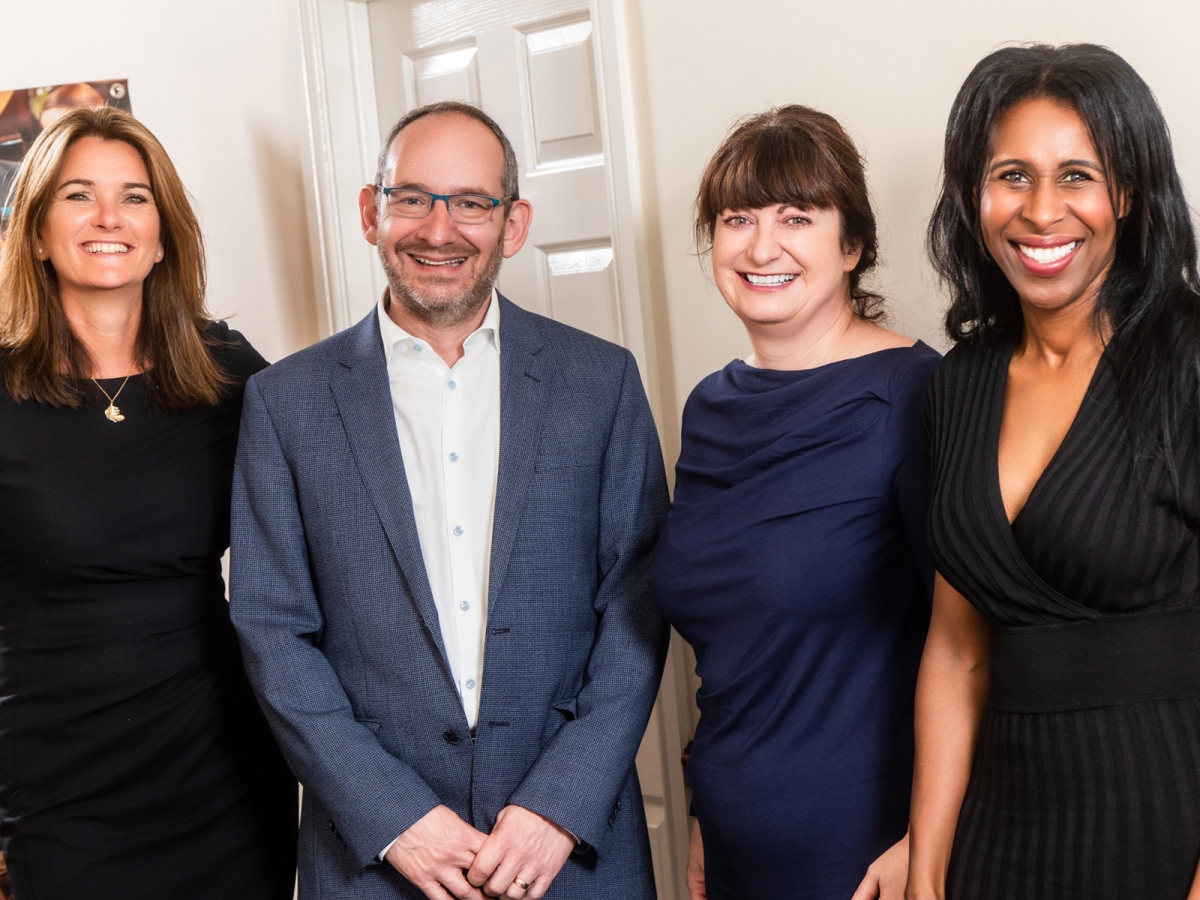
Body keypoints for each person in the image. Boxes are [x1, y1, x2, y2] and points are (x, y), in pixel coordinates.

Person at [229, 100, 668, 900]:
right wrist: (395, 817)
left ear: (515, 223)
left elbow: (637, 609)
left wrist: (556, 809)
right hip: (374, 860)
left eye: (471, 202)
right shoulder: (283, 404)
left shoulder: (600, 383)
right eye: (412, 198)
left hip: (568, 857)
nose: (440, 229)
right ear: (371, 212)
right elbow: (272, 630)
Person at [908, 43, 1200, 900]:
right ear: (974, 194)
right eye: (1011, 175)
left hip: (1164, 817)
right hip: (1001, 830)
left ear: (1131, 194)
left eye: (1078, 175)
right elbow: (957, 652)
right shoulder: (959, 381)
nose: (1041, 211)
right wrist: (929, 871)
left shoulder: (1190, 360)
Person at [0, 107, 297, 898]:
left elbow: (333, 526)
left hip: (224, 774)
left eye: (134, 197)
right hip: (55, 786)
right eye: (77, 196)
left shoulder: (228, 373)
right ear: (34, 231)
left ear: (162, 233)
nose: (108, 218)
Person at [651, 105, 939, 900]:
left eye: (796, 217)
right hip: (735, 836)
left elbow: (975, 643)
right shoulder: (710, 407)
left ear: (852, 247)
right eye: (737, 218)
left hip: (867, 848)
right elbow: (736, 654)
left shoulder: (913, 396)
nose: (761, 245)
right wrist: (707, 816)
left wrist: (927, 840)